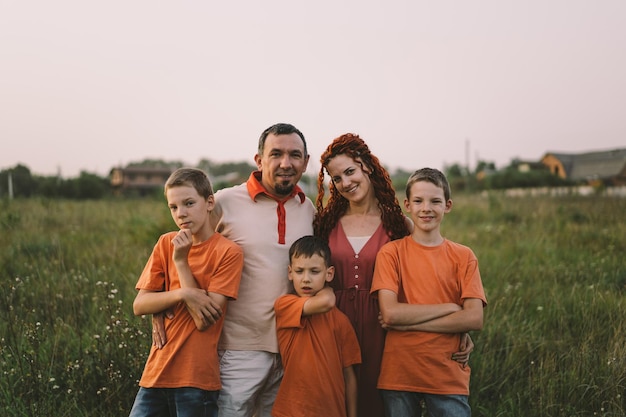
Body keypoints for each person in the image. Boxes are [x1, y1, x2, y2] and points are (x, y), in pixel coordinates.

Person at [154, 123, 315, 417]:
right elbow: (182, 247)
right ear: (259, 160)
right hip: (237, 349)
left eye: (295, 155)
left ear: (305, 162)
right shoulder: (226, 201)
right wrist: (161, 305)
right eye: (276, 153)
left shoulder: (309, 209)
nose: (285, 163)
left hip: (291, 345)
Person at [313, 134, 474, 417]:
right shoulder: (326, 223)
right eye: (337, 178)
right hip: (334, 325)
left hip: (384, 328)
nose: (346, 183)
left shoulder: (400, 224)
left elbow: (432, 269)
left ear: (368, 167)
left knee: (380, 405)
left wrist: (458, 327)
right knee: (336, 403)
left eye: (350, 171)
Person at [371, 168, 487, 417]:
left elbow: (474, 318)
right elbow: (390, 314)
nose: (426, 208)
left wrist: (406, 325)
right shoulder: (391, 254)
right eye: (418, 201)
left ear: (447, 205)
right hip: (399, 373)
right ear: (407, 205)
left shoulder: (463, 256)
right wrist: (450, 309)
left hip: (447, 374)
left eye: (435, 201)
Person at [129, 168, 244, 417]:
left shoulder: (228, 252)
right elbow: (140, 305)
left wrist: (181, 262)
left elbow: (204, 321)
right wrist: (183, 294)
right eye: (173, 207)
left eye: (189, 203)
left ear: (209, 202)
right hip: (155, 374)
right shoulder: (165, 243)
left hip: (196, 379)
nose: (181, 213)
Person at [272, 235, 361, 417]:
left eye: (314, 271)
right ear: (290, 273)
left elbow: (349, 376)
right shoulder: (285, 305)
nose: (306, 279)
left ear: (329, 274)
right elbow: (326, 302)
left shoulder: (341, 321)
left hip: (332, 411)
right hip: (291, 410)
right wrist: (327, 290)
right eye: (299, 271)